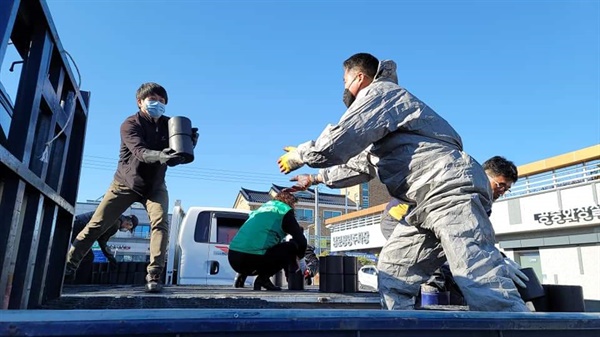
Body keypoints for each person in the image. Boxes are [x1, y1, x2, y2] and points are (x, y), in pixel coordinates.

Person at [277, 52, 529, 311]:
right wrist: (316, 177)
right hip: (424, 202)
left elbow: (340, 139)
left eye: (344, 80)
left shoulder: (382, 94)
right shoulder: (382, 122)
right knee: (394, 269)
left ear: (359, 77)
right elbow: (359, 165)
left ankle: (517, 328)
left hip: (448, 189)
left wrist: (300, 155)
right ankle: (400, 325)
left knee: (475, 268)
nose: (343, 87)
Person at [64, 82, 197, 293]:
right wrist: (161, 155)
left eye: (162, 101)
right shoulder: (130, 124)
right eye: (153, 100)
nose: (158, 104)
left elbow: (174, 158)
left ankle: (154, 275)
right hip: (124, 184)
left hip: (155, 187)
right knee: (96, 225)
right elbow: (141, 152)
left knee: (161, 224)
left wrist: (187, 145)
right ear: (140, 102)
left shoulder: (169, 124)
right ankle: (68, 267)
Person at [228, 191, 307, 291]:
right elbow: (302, 242)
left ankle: (241, 278)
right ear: (291, 203)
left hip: (233, 257)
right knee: (291, 247)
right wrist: (302, 262)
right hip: (251, 259)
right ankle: (263, 279)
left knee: (256, 243)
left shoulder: (264, 208)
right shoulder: (284, 211)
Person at [67, 212, 138, 283]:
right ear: (129, 223)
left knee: (84, 255)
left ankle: (73, 278)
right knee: (88, 257)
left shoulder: (116, 216)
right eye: (129, 229)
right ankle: (76, 281)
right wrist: (111, 258)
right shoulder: (115, 224)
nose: (126, 230)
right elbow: (102, 241)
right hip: (80, 226)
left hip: (77, 223)